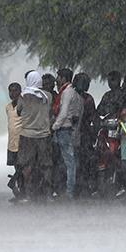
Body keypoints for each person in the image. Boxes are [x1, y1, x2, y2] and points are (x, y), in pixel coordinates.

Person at [17, 71, 54, 202]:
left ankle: (28, 194)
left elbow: (18, 111)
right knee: (46, 165)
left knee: (27, 166)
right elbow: (49, 111)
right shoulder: (48, 96)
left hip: (27, 136)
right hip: (44, 135)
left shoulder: (23, 96)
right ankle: (48, 194)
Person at [51, 68, 81, 199]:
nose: (56, 79)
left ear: (63, 78)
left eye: (58, 77)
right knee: (68, 161)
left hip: (63, 130)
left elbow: (63, 113)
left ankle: (69, 191)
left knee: (69, 162)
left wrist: (54, 127)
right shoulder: (69, 92)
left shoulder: (67, 92)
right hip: (66, 129)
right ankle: (68, 189)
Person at [6, 83, 23, 198]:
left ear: (20, 92)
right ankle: (20, 191)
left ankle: (14, 180)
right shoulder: (8, 107)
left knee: (23, 166)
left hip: (22, 141)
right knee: (17, 166)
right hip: (12, 142)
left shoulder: (23, 105)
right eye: (10, 91)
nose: (13, 93)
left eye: (15, 91)